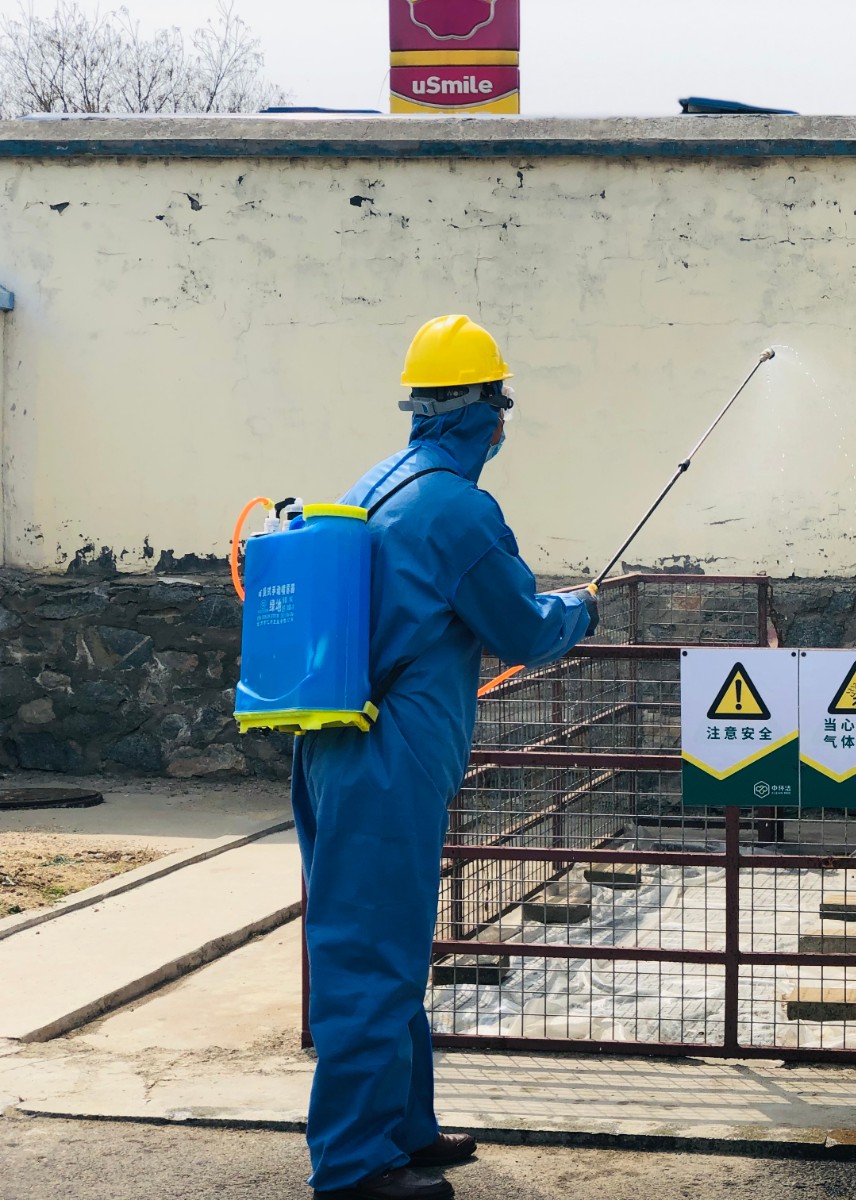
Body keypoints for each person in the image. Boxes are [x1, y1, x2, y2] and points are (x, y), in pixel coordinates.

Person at [292, 315, 597, 1199]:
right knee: (370, 954)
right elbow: (523, 630)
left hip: (335, 743)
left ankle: (404, 1129)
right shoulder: (458, 509)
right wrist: (581, 607)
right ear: (482, 413)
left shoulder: (378, 483)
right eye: (502, 406)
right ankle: (352, 1166)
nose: (503, 424)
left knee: (386, 942)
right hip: (387, 758)